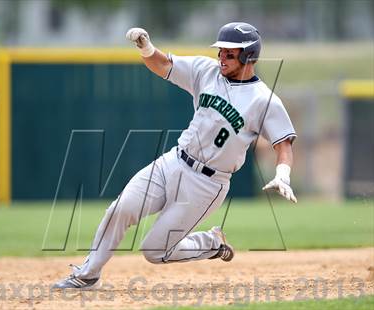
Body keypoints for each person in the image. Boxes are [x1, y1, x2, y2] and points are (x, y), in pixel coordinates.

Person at [53, 22, 297, 290]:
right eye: (221, 52)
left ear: (248, 56)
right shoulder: (206, 71)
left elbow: (283, 143)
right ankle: (88, 275)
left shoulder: (263, 100)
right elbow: (164, 65)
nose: (222, 58)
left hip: (207, 184)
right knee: (121, 208)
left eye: (230, 53)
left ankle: (212, 243)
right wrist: (147, 48)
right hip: (174, 161)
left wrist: (282, 174)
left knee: (154, 251)